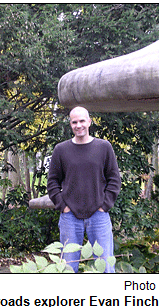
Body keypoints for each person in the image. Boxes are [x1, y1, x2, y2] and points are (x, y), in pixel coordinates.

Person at [47, 106, 121, 273]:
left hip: (99, 216)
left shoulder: (104, 147)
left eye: (82, 121)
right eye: (74, 122)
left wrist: (104, 206)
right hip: (70, 217)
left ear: (89, 121)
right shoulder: (61, 150)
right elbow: (52, 182)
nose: (78, 125)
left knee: (106, 267)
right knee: (68, 267)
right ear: (70, 125)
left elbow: (114, 179)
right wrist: (63, 207)